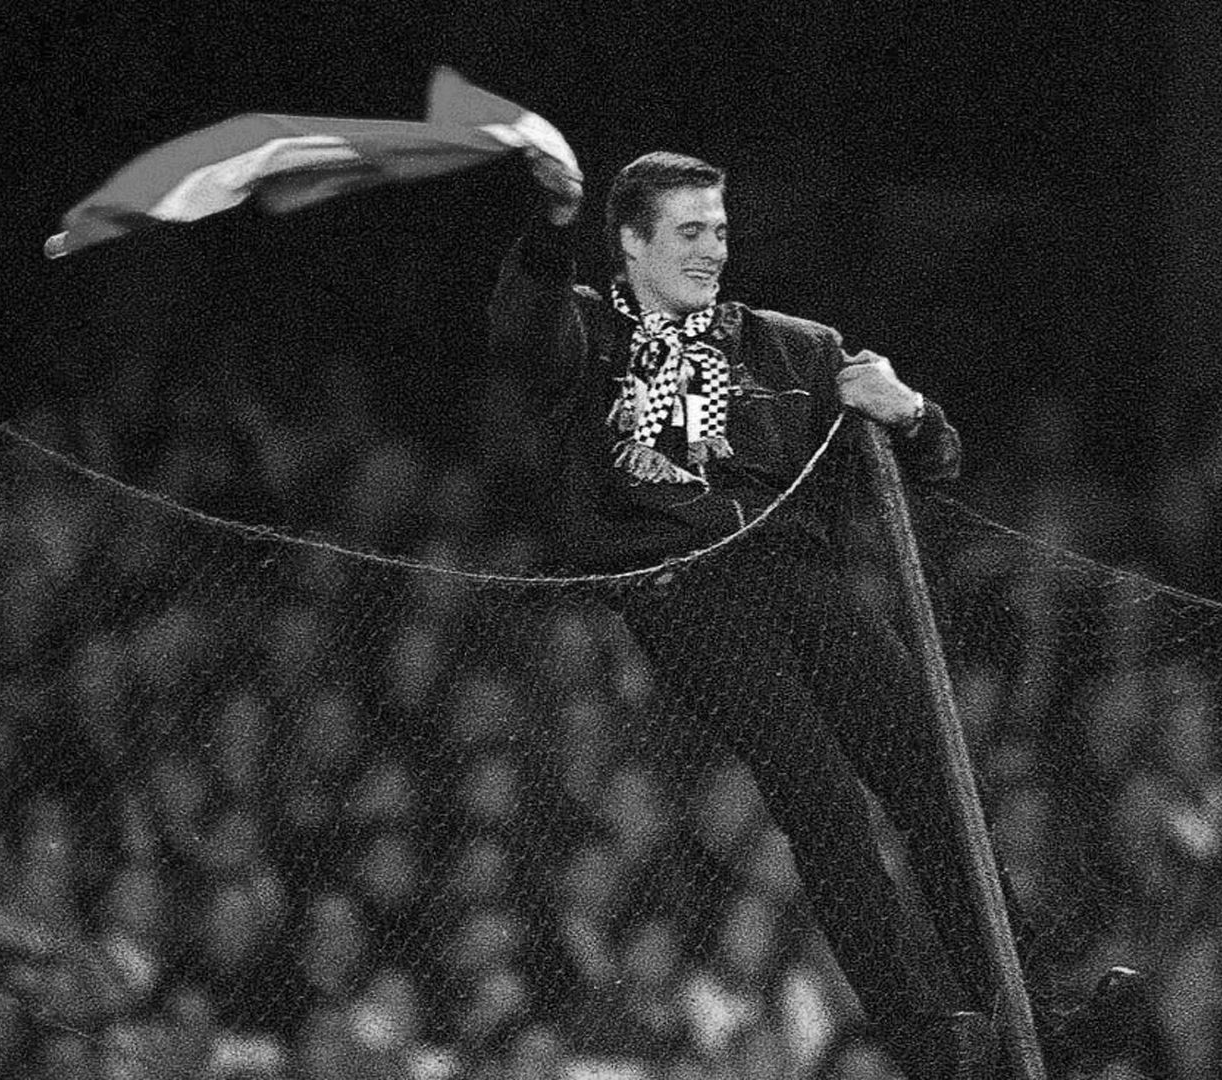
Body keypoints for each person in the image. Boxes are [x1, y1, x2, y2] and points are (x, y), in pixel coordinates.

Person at [489, 146, 1153, 1079]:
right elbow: (522, 334)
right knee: (823, 799)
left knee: (934, 782)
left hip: (806, 580)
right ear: (631, 242)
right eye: (689, 232)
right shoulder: (593, 335)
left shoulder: (793, 346)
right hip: (687, 587)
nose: (713, 249)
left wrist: (911, 407)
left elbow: (938, 463)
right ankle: (922, 1035)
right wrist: (549, 227)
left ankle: (1035, 1012)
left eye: (720, 230)